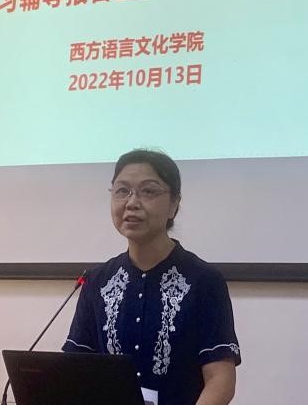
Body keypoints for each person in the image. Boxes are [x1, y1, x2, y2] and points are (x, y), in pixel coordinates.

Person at [63, 149, 240, 405]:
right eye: (122, 190)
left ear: (174, 205)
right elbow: (74, 368)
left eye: (148, 191)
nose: (132, 202)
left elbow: (220, 380)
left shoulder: (204, 281)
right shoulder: (99, 281)